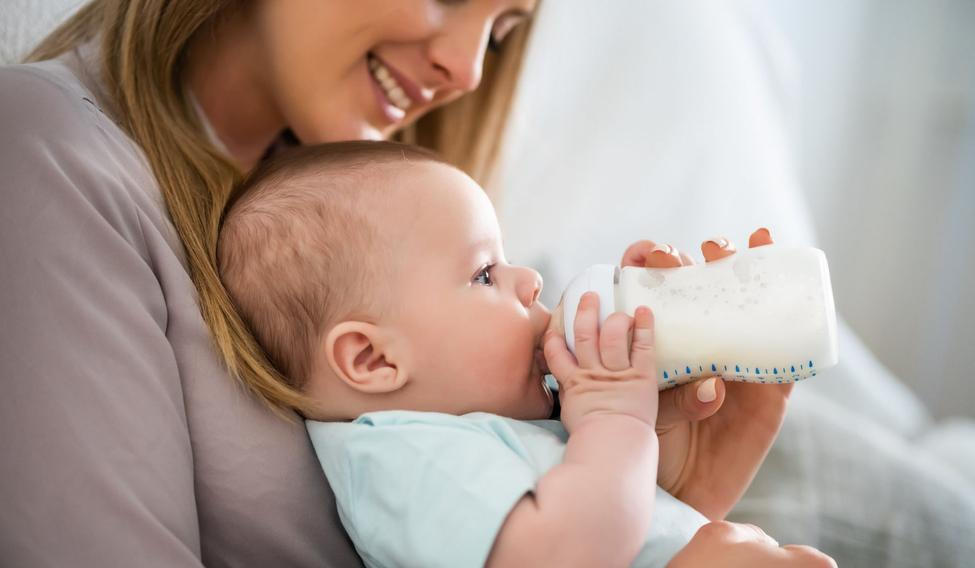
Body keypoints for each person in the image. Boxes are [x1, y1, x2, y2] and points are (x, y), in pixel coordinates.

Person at [0, 1, 801, 565]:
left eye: (502, 29)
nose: (465, 67)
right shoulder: (48, 154)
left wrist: (683, 490)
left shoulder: (366, 214)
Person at [217, 140, 836, 567]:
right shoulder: (399, 454)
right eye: (485, 274)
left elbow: (628, 531)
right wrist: (613, 422)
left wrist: (669, 471)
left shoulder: (491, 430)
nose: (531, 280)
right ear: (374, 361)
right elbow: (567, 556)